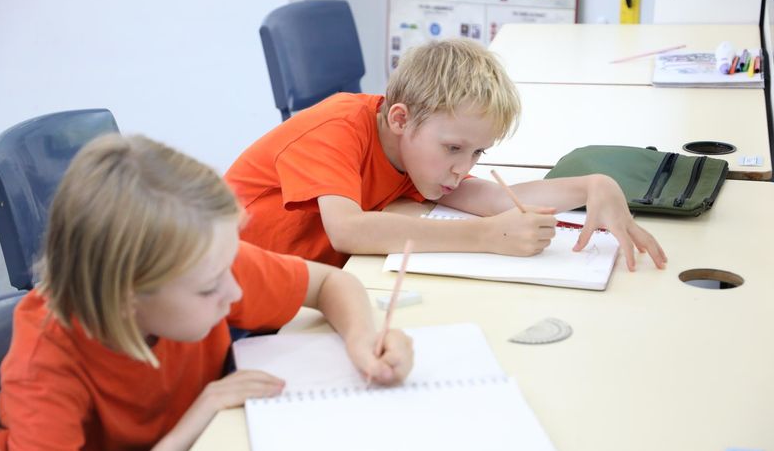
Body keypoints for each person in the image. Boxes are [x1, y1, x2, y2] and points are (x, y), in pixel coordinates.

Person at [0, 134, 413, 451]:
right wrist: (196, 419)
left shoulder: (200, 261)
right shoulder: (43, 369)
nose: (235, 292)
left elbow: (331, 283)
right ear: (127, 297)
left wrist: (362, 340)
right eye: (208, 289)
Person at [225, 38, 666, 272]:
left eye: (477, 152)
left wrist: (592, 186)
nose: (464, 167)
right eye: (454, 148)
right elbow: (348, 230)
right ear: (400, 119)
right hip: (233, 295)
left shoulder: (417, 153)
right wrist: (486, 237)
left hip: (310, 280)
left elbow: (495, 199)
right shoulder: (335, 129)